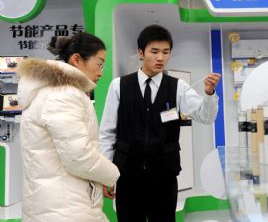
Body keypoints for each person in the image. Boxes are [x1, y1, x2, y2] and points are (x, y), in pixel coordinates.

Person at [99, 24, 221, 222]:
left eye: (166, 52)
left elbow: (205, 117)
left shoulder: (178, 87)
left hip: (164, 176)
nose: (160, 58)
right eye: (154, 51)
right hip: (128, 175)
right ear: (141, 52)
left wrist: (209, 94)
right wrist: (106, 174)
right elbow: (107, 132)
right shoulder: (119, 86)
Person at [17, 33, 120, 222]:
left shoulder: (47, 93)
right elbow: (79, 156)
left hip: (53, 204)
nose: (101, 72)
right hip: (67, 208)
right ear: (77, 60)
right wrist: (112, 176)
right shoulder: (64, 95)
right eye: (99, 63)